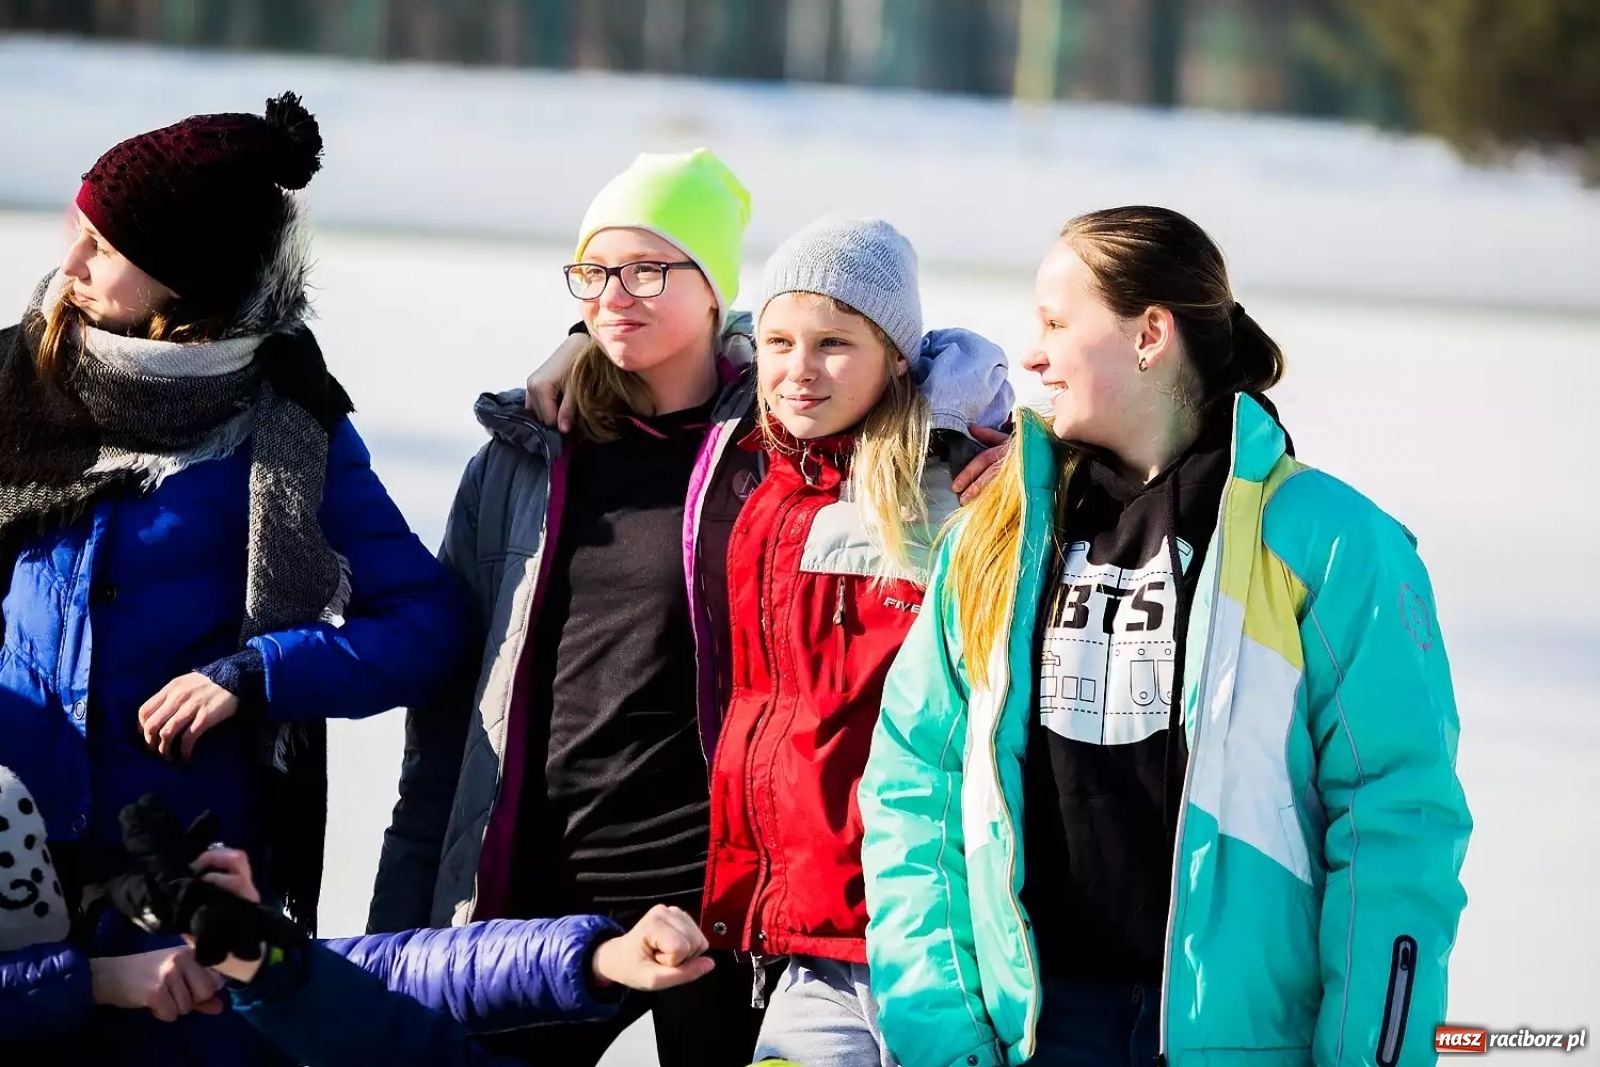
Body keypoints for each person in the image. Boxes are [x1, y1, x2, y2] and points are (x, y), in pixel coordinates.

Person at [859, 206, 1472, 1067]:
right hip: (1034, 1037)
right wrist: (946, 1039)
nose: (1031, 355)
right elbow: (914, 786)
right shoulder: (996, 536)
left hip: (1244, 1041)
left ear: (1150, 334)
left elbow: (1395, 819)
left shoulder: (1332, 543)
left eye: (1057, 324)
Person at [0, 95, 468, 1064]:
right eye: (74, 231)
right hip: (17, 883)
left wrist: (258, 671)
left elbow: (428, 624)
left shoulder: (289, 426)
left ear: (187, 277)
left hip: (186, 899)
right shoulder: (16, 383)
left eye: (103, 246)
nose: (68, 265)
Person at [371, 147, 773, 1067]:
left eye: (648, 269)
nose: (615, 294)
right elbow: (449, 714)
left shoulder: (775, 452)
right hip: (538, 892)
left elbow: (888, 359)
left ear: (715, 288)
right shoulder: (521, 460)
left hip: (715, 900)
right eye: (593, 272)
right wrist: (401, 922)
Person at [699, 215, 1011, 1067]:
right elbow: (665, 342)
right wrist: (578, 342)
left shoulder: (969, 477)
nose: (799, 369)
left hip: (938, 940)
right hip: (806, 944)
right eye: (780, 342)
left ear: (897, 357)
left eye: (834, 343)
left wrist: (1036, 452)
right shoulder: (765, 470)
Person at [0, 767, 717, 1065]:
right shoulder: (119, 978)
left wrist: (591, 956)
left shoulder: (161, 966)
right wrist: (89, 983)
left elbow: (391, 981)